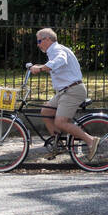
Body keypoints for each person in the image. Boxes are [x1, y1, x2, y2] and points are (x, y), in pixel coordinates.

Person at [30, 27, 99, 160]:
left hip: (73, 91)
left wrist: (41, 68)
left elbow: (60, 60)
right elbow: (55, 65)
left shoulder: (57, 50)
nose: (38, 44)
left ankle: (91, 140)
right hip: (65, 91)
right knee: (46, 111)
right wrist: (38, 66)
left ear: (47, 39)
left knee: (60, 122)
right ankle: (59, 146)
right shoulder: (53, 52)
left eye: (39, 41)